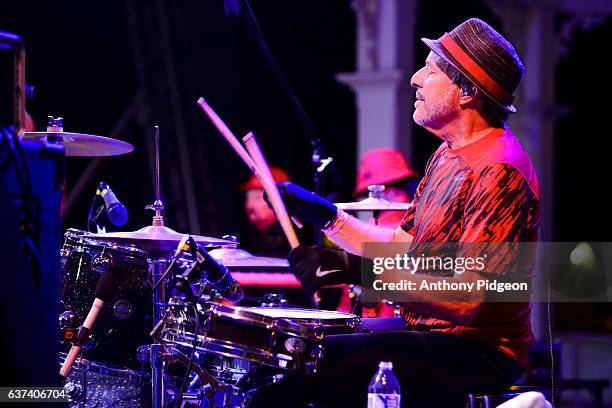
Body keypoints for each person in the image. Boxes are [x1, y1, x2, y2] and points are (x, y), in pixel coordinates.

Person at [250, 18, 541, 407]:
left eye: (431, 70)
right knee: (293, 349)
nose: (416, 79)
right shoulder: (447, 155)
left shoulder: (497, 169)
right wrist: (325, 215)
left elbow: (470, 297)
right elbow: (398, 249)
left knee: (304, 371)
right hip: (431, 334)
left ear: (468, 91)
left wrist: (354, 271)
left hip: (476, 352)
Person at [239, 166, 292, 258]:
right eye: (248, 198)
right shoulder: (250, 235)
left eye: (257, 197)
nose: (249, 206)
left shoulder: (290, 240)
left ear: (280, 200)